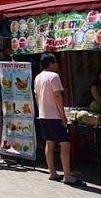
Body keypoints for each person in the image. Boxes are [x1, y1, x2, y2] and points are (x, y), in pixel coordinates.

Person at [34, 54, 84, 186]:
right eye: (55, 62)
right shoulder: (54, 76)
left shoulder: (38, 77)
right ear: (51, 63)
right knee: (64, 144)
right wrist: (62, 114)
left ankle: (52, 172)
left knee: (49, 143)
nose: (57, 65)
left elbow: (36, 96)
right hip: (54, 115)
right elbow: (57, 96)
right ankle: (67, 175)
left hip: (43, 114)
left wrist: (41, 110)